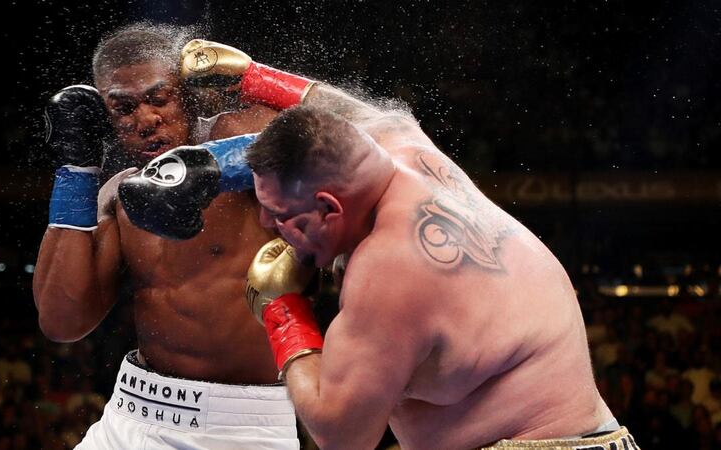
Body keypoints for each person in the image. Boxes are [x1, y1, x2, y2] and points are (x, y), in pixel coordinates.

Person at [166, 40, 638, 449]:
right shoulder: (403, 147)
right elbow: (355, 114)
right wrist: (256, 78)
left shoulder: (390, 271)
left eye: (284, 214)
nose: (268, 223)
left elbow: (343, 435)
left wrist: (282, 310)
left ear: (330, 207)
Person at [32, 24, 301, 449]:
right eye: (122, 109)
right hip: (130, 414)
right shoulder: (117, 195)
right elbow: (62, 322)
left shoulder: (239, 135)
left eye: (159, 99)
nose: (145, 120)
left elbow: (354, 138)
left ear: (189, 93)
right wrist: (76, 173)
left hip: (238, 426)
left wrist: (252, 86)